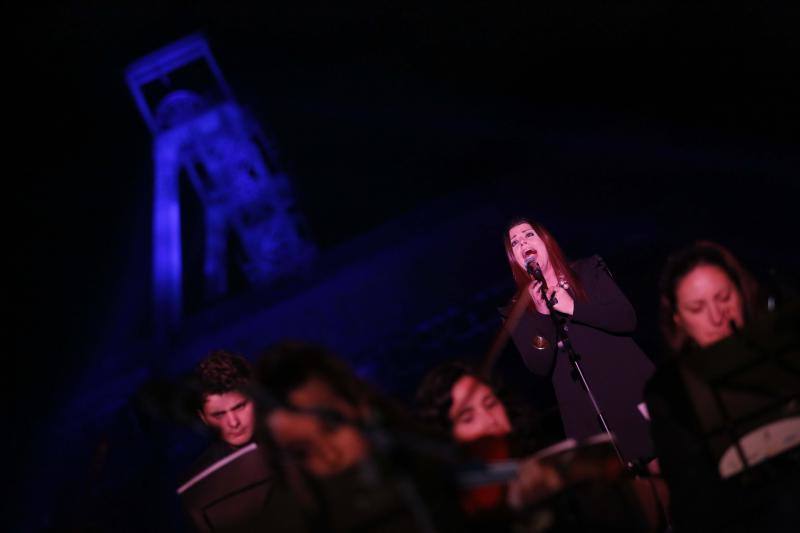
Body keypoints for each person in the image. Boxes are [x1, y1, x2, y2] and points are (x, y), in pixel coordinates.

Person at [645, 241, 799, 532]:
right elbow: (692, 505)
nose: (717, 317)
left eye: (724, 298)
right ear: (678, 319)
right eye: (697, 308)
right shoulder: (669, 391)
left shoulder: (784, 348)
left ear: (742, 293)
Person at [255, 341, 466, 532]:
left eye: (332, 427)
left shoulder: (446, 478)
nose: (330, 456)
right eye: (302, 452)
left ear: (361, 408)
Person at [501, 218, 655, 465]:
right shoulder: (518, 311)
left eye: (529, 235)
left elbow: (626, 318)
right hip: (586, 414)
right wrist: (542, 318)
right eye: (515, 243)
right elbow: (538, 362)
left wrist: (573, 307)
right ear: (515, 259)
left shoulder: (587, 271)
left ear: (545, 241)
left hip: (629, 390)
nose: (523, 243)